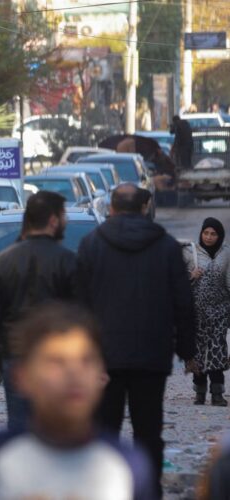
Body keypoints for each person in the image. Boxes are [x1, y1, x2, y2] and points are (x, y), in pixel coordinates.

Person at [0, 303, 155, 500]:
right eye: (56, 361)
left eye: (86, 360)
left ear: (102, 375)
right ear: (21, 377)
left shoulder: (127, 464)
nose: (74, 374)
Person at [76, 183, 196, 496]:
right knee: (148, 431)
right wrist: (187, 351)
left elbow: (77, 306)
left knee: (105, 431)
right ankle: (148, 490)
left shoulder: (91, 245)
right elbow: (183, 302)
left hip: (103, 358)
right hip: (151, 356)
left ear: (111, 208)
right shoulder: (167, 246)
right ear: (144, 208)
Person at [0, 191, 79, 431]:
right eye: (63, 216)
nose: (66, 222)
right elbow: (81, 318)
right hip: (57, 360)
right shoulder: (68, 262)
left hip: (16, 359)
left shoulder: (3, 262)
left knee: (20, 430)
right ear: (52, 221)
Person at [184, 217, 230, 406]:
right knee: (198, 350)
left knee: (217, 348)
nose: (209, 237)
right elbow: (176, 280)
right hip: (196, 312)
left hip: (220, 310)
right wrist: (190, 275)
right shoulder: (189, 252)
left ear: (219, 236)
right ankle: (200, 391)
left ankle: (218, 393)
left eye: (213, 234)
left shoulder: (226, 253)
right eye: (206, 233)